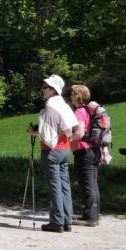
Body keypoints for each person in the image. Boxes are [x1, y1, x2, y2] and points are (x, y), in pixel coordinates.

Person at [27, 74, 83, 232]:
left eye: (45, 87)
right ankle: (66, 220)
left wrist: (33, 131)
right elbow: (68, 127)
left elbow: (47, 132)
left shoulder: (50, 106)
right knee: (64, 186)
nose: (43, 90)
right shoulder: (63, 104)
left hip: (51, 150)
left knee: (55, 187)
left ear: (53, 90)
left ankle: (56, 222)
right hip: (64, 149)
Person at [69, 84, 100, 227]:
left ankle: (88, 217)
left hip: (83, 151)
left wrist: (69, 137)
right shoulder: (89, 111)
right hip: (94, 151)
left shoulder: (80, 111)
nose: (71, 96)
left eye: (73, 93)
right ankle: (94, 215)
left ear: (78, 96)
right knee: (93, 184)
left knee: (86, 185)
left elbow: (79, 133)